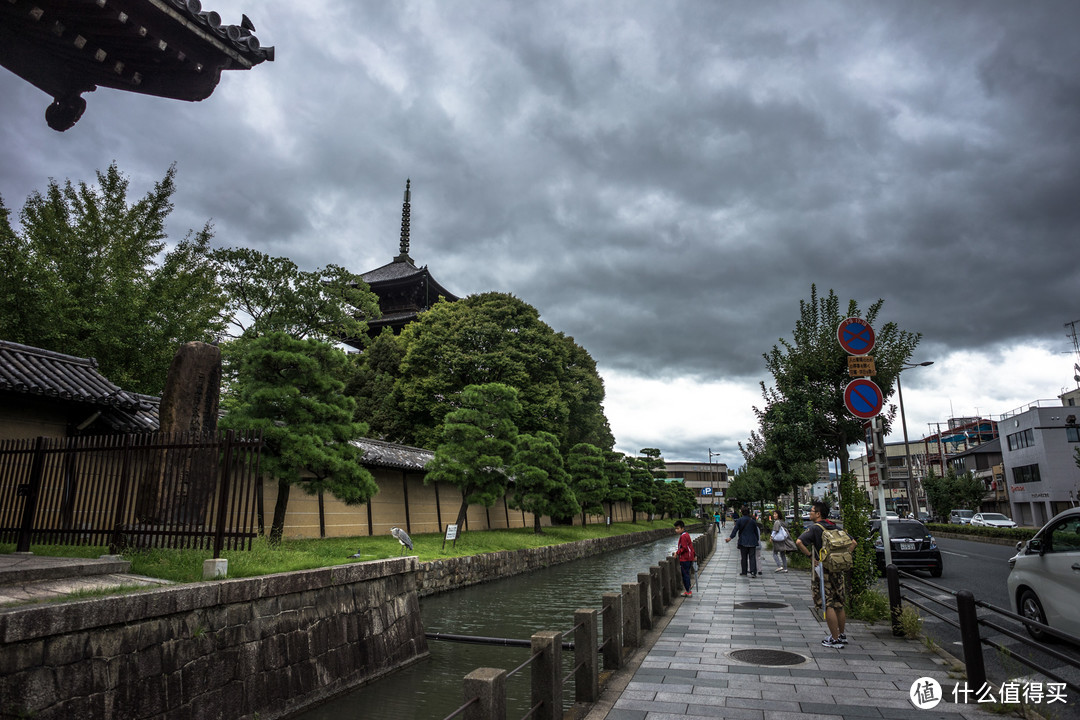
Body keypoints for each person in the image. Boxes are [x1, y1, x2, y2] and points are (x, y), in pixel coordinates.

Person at [796, 501, 858, 649]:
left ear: (818, 514)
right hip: (838, 569)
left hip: (823, 570)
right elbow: (853, 542)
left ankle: (834, 639)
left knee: (828, 602)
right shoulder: (834, 526)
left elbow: (799, 542)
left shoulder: (815, 529)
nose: (809, 513)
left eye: (811, 511)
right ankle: (842, 635)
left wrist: (812, 557)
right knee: (839, 603)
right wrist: (842, 556)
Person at [725, 506, 760, 577]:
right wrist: (756, 540)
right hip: (752, 542)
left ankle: (744, 571)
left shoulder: (740, 520)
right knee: (752, 557)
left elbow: (735, 530)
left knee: (743, 557)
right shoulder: (752, 521)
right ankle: (753, 572)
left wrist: (730, 538)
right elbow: (756, 532)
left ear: (742, 512)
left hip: (743, 541)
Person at [673, 520, 696, 596]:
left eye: (678, 528)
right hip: (689, 558)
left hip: (685, 558)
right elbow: (690, 546)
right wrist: (694, 555)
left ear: (682, 528)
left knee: (685, 574)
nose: (676, 530)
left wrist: (677, 552)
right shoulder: (686, 534)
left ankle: (688, 591)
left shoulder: (683, 536)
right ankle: (688, 589)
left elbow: (684, 548)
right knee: (687, 574)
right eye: (676, 528)